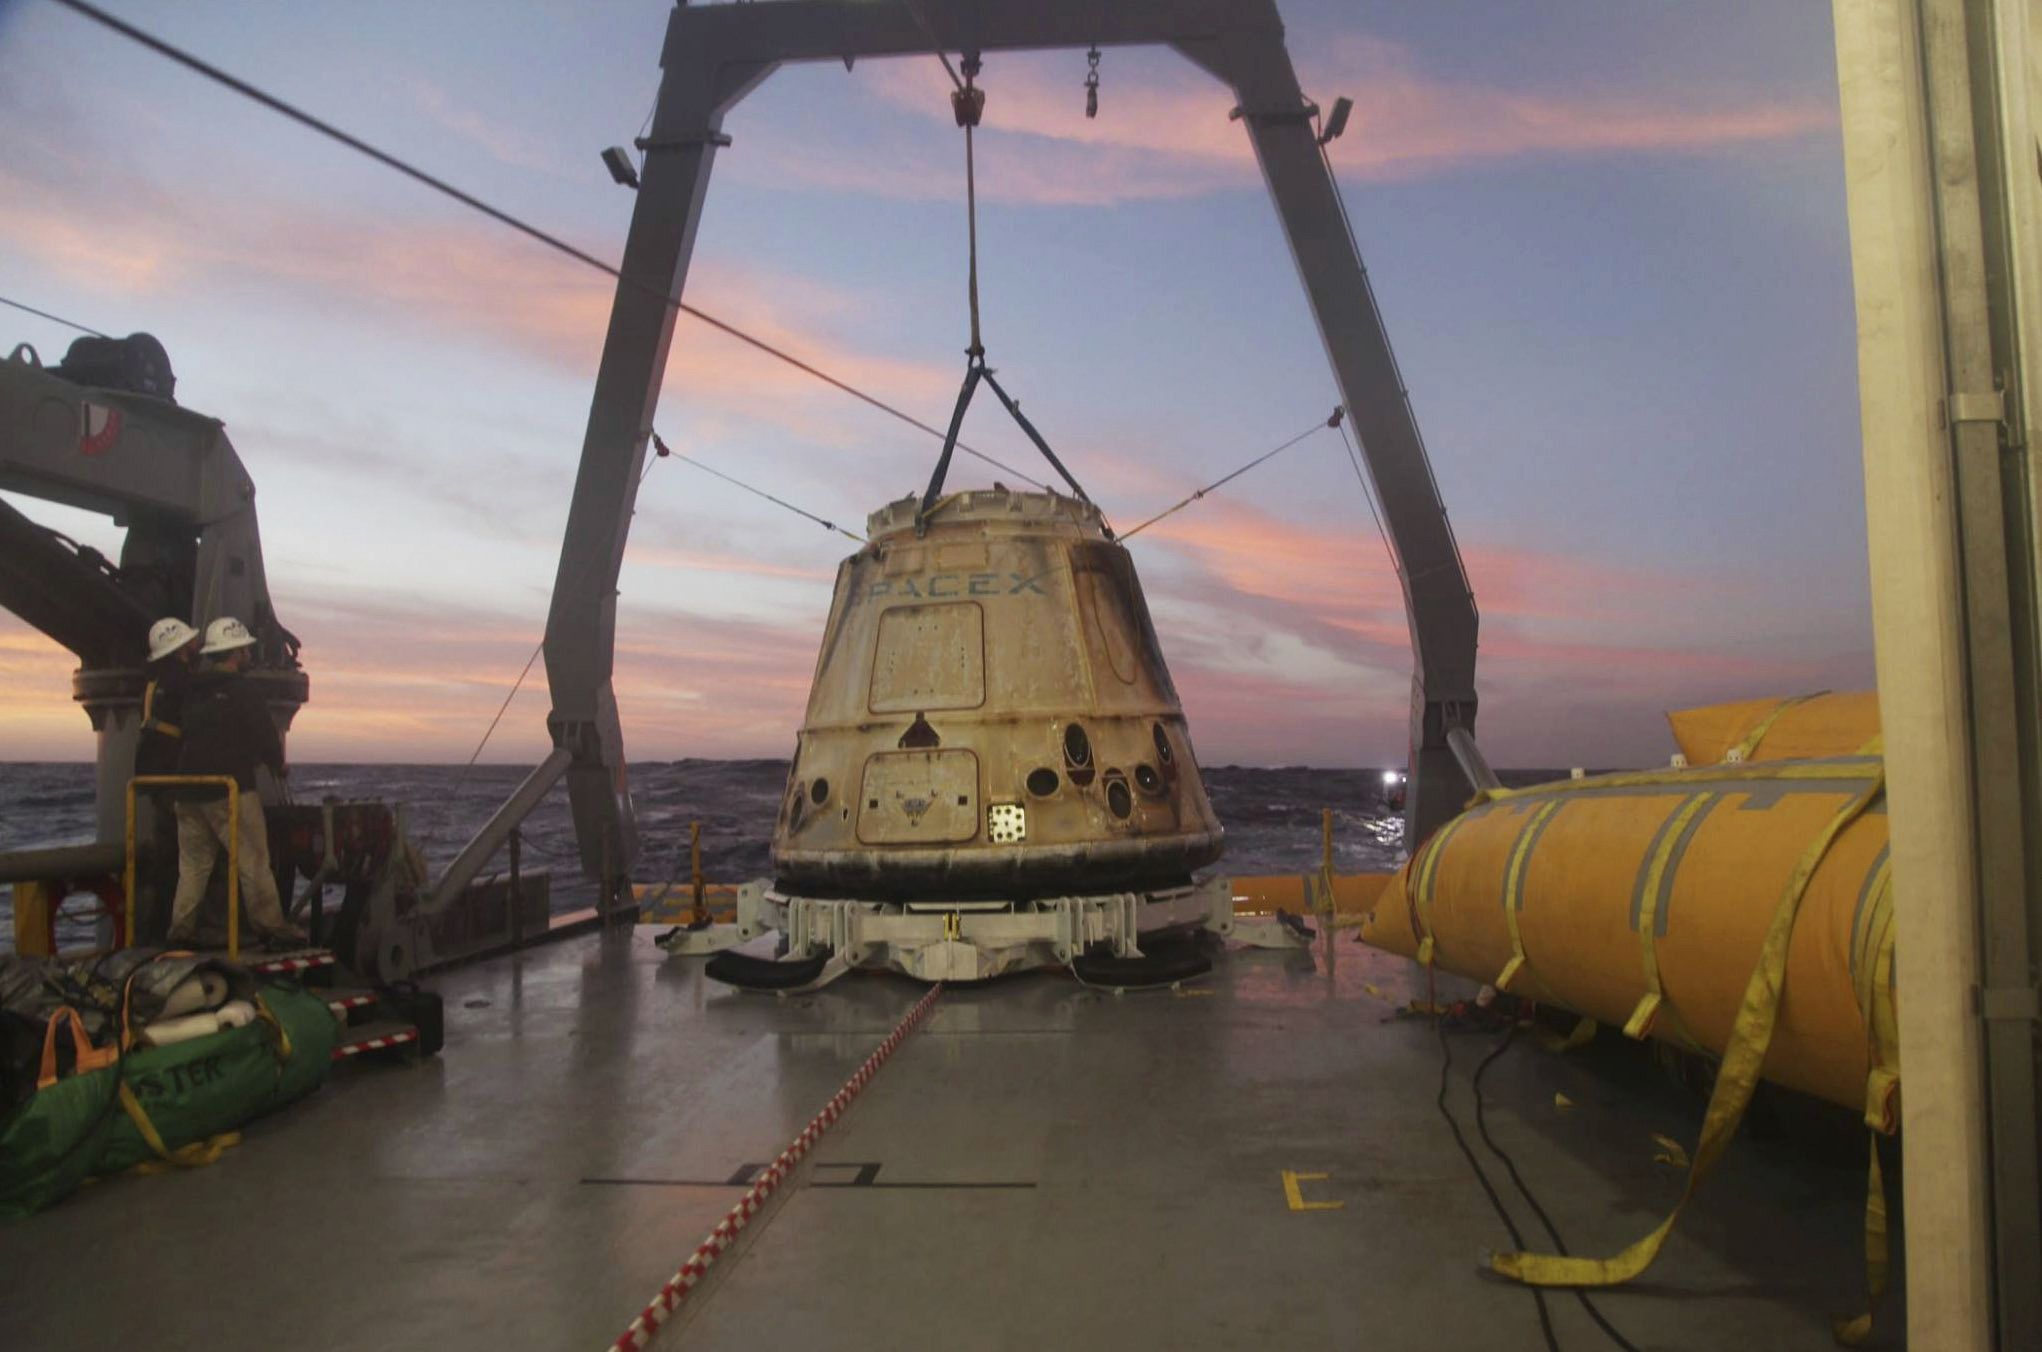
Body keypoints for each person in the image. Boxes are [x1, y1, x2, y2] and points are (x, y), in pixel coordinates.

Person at [164, 616, 309, 951]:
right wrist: (278, 764)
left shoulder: (191, 690)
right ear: (234, 653)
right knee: (253, 860)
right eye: (244, 648)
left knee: (194, 865)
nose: (247, 653)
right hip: (229, 790)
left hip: (186, 790)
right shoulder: (244, 691)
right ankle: (272, 927)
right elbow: (264, 735)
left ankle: (181, 930)